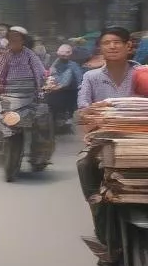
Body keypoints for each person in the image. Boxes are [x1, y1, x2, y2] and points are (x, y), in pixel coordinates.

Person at [76, 26, 140, 248]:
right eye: (107, 43)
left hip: (140, 142)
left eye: (117, 42)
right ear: (100, 48)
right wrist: (90, 119)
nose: (112, 46)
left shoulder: (142, 73)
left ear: (128, 46)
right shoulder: (91, 77)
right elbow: (83, 106)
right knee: (84, 164)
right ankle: (97, 206)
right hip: (104, 142)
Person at [44, 44, 82, 123]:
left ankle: (67, 118)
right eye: (61, 56)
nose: (62, 57)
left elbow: (76, 79)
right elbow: (52, 72)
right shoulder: (57, 62)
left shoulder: (73, 66)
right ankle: (57, 118)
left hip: (71, 91)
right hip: (59, 90)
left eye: (64, 56)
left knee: (70, 107)